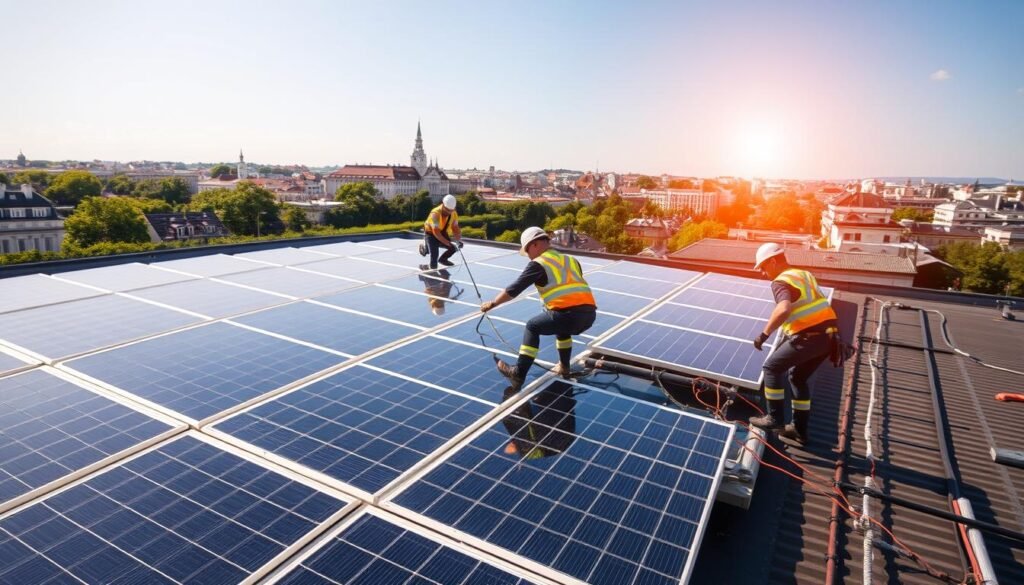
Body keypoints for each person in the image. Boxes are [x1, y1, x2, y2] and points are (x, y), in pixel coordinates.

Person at [481, 227, 597, 391]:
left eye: (527, 251)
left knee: (532, 326)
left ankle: (518, 373)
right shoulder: (571, 260)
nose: (528, 256)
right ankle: (564, 367)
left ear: (534, 244)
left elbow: (514, 289)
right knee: (562, 329)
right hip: (589, 316)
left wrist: (492, 303)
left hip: (567, 314)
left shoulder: (539, 263)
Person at [749, 242, 839, 444]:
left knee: (771, 368)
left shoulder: (780, 281)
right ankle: (799, 430)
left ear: (773, 261)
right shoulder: (803, 274)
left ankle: (774, 418)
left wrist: (764, 334)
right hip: (829, 337)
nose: (763, 273)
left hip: (809, 336)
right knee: (797, 378)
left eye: (763, 267)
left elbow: (783, 309)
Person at [421, 194, 462, 269]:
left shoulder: (453, 213)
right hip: (431, 234)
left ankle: (443, 259)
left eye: (451, 210)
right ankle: (425, 248)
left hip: (442, 232)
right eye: (447, 210)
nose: (449, 212)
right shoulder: (435, 214)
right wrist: (448, 243)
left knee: (453, 248)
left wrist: (458, 241)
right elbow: (436, 232)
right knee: (434, 257)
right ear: (443, 205)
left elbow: (455, 228)